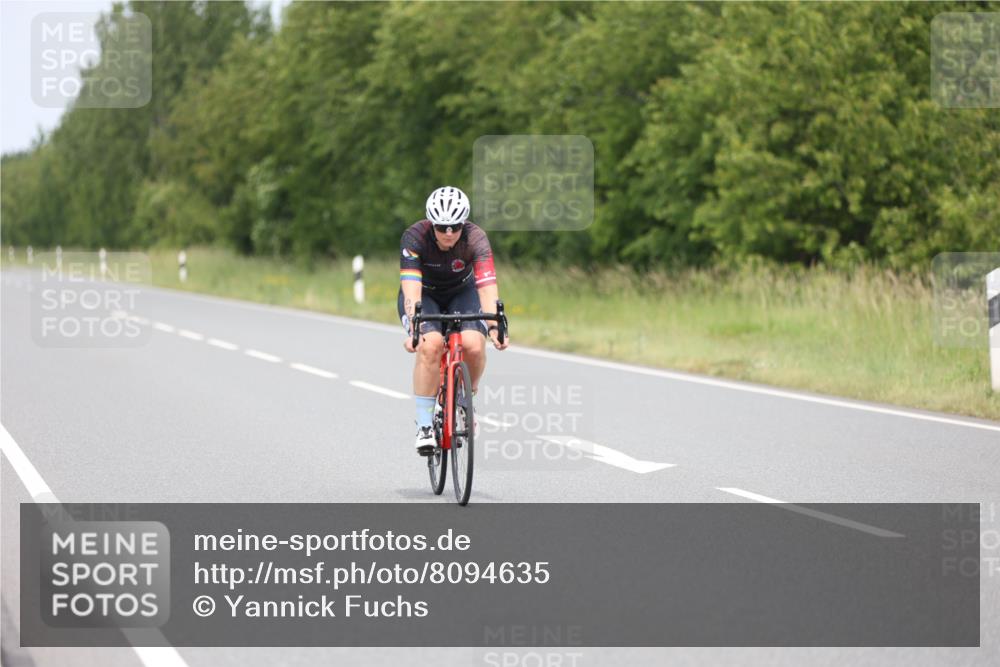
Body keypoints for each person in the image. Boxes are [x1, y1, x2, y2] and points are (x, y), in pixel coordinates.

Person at [398, 186, 509, 455]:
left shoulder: (476, 238)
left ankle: (465, 400)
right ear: (432, 224)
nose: (449, 233)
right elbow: (411, 285)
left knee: (473, 344)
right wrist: (414, 324)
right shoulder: (415, 237)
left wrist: (495, 324)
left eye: (455, 226)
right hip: (425, 293)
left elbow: (486, 284)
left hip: (463, 292)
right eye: (442, 226)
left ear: (464, 224)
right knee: (431, 345)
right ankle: (424, 426)